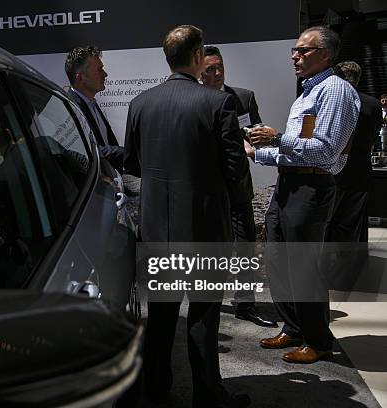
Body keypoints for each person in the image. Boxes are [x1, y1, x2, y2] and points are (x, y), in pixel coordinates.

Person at [124, 25, 250, 407]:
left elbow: (133, 165)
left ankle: (157, 390)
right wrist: (243, 215)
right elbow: (235, 170)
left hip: (158, 229)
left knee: (160, 317)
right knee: (203, 316)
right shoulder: (217, 103)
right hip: (205, 229)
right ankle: (207, 396)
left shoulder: (140, 103)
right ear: (198, 56)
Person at [246, 26, 360, 364]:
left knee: (304, 266)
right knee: (279, 261)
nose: (295, 56)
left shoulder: (335, 91)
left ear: (325, 54)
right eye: (295, 50)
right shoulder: (308, 92)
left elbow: (324, 152)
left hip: (311, 188)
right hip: (291, 183)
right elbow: (299, 153)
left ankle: (319, 340)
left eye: (303, 50)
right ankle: (293, 327)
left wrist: (277, 138)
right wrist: (257, 152)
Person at [201, 45, 277, 328]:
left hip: (238, 187)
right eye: (210, 69)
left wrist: (255, 139)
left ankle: (246, 303)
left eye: (220, 67)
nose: (217, 73)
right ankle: (208, 302)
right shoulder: (193, 99)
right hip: (207, 189)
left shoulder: (242, 98)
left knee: (245, 247)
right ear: (199, 71)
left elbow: (256, 133)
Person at [327, 61, 382, 243]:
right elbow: (374, 136)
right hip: (360, 171)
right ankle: (355, 267)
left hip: (333, 170)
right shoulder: (373, 104)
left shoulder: (332, 100)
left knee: (329, 223)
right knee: (355, 226)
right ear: (358, 79)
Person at [65, 45, 124, 171]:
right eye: (99, 70)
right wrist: (128, 153)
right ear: (80, 77)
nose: (105, 74)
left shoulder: (91, 103)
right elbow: (90, 151)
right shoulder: (71, 108)